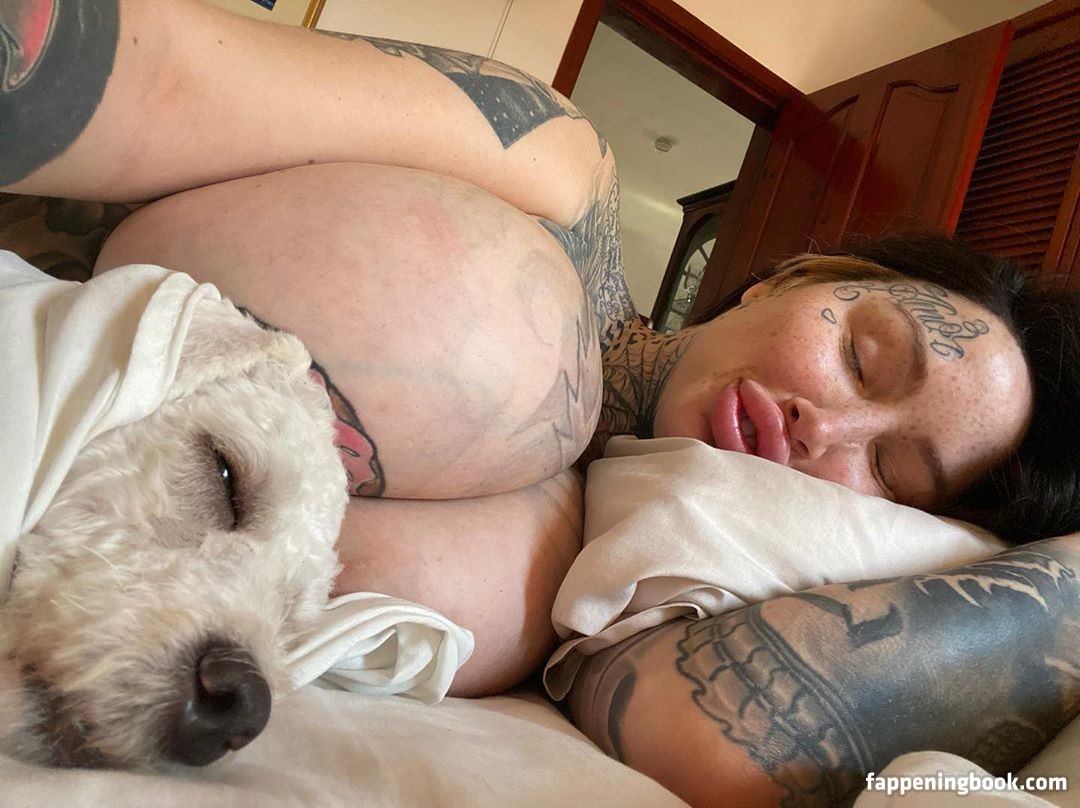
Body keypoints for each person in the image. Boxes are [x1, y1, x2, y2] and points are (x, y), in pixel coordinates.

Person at [2, 1, 1078, 803]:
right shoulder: (558, 176)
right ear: (794, 276)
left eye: (890, 471)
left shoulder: (593, 597)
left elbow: (728, 749)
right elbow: (128, 71)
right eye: (865, 355)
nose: (827, 428)